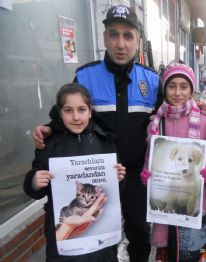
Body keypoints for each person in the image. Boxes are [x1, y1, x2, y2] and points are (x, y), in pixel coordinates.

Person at [32, 5, 162, 261]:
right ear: (104, 38)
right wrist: (48, 128)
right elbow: (65, 116)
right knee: (101, 238)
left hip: (136, 178)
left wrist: (196, 109)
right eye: (114, 35)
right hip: (98, 178)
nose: (121, 43)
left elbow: (168, 115)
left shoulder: (153, 81)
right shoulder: (85, 76)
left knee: (139, 235)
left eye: (128, 36)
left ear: (138, 40)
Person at [23, 83, 126, 261]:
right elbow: (35, 188)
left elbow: (115, 190)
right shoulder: (49, 142)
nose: (76, 117)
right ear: (60, 112)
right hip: (63, 239)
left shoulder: (105, 140)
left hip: (100, 235)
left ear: (90, 111)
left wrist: (119, 178)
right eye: (68, 110)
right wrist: (34, 181)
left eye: (82, 109)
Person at [139, 63, 206, 261]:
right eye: (172, 86)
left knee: (191, 251)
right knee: (169, 253)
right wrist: (147, 174)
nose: (177, 92)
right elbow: (152, 154)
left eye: (183, 87)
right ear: (165, 89)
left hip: (193, 202)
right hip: (165, 205)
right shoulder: (156, 123)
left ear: (191, 90)